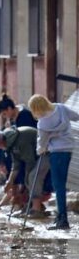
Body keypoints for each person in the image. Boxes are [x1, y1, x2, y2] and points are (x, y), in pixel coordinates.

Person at [29, 94, 79, 230]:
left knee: (59, 187)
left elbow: (42, 144)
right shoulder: (61, 108)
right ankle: (60, 217)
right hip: (68, 149)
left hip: (56, 153)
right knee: (61, 185)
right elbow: (76, 116)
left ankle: (62, 219)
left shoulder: (42, 123)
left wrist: (40, 149)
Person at [0, 126, 52, 218]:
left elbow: (30, 161)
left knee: (32, 177)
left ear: (1, 142)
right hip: (37, 154)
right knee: (28, 180)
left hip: (47, 152)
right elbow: (16, 164)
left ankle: (36, 210)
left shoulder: (20, 140)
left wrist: (25, 181)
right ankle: (31, 207)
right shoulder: (10, 144)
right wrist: (10, 181)